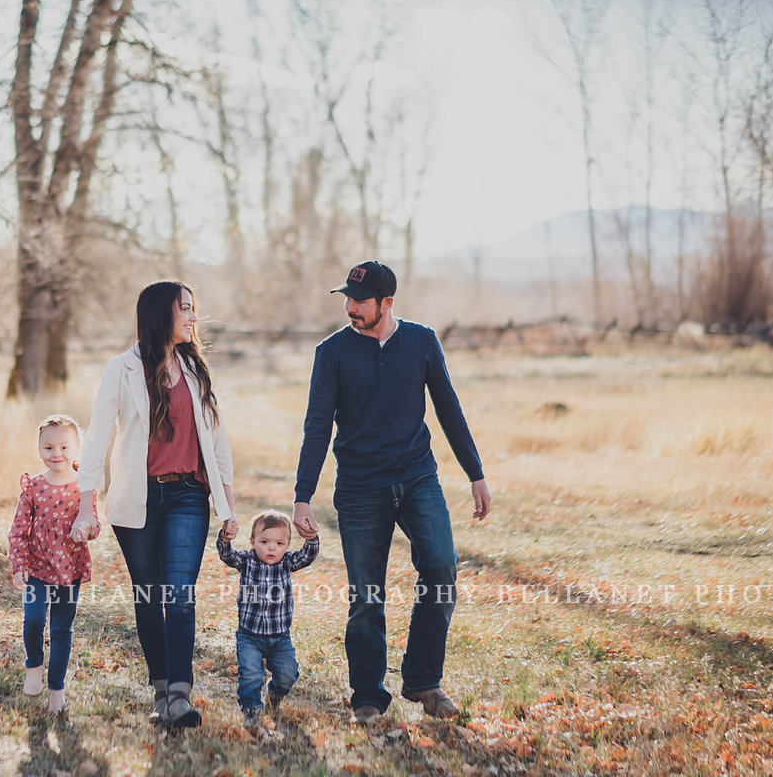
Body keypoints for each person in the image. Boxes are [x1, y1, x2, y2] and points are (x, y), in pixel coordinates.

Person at [292, 260, 492, 724]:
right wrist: (303, 494)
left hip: (418, 477)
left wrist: (475, 472)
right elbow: (317, 425)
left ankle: (423, 681)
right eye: (347, 299)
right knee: (366, 595)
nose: (350, 308)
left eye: (359, 301)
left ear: (387, 303)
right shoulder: (333, 352)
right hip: (360, 486)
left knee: (442, 567)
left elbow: (448, 408)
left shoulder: (421, 342)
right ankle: (367, 694)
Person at [71, 280, 238, 729]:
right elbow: (98, 436)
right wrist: (87, 505)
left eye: (193, 309)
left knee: (179, 595)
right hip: (138, 498)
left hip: (187, 494)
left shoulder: (196, 369)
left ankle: (181, 695)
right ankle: (162, 689)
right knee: (148, 596)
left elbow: (216, 439)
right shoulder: (121, 369)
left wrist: (227, 503)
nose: (193, 317)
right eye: (185, 308)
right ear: (161, 313)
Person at [8, 414, 98, 715]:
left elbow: (94, 523)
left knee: (62, 629)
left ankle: (57, 688)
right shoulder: (33, 487)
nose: (56, 454)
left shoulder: (83, 486)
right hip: (37, 566)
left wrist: (86, 528)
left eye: (63, 447)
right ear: (39, 450)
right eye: (48, 448)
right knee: (33, 619)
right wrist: (18, 563)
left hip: (69, 568)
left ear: (76, 449)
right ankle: (34, 663)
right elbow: (19, 527)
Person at [216, 509, 320, 726]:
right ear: (253, 542)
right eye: (265, 541)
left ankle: (274, 694)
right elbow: (227, 555)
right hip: (249, 635)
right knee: (252, 674)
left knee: (287, 675)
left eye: (279, 544)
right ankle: (251, 711)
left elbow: (307, 556)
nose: (272, 548)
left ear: (287, 546)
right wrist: (225, 540)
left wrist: (310, 538)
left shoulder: (286, 563)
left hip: (280, 637)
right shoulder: (246, 560)